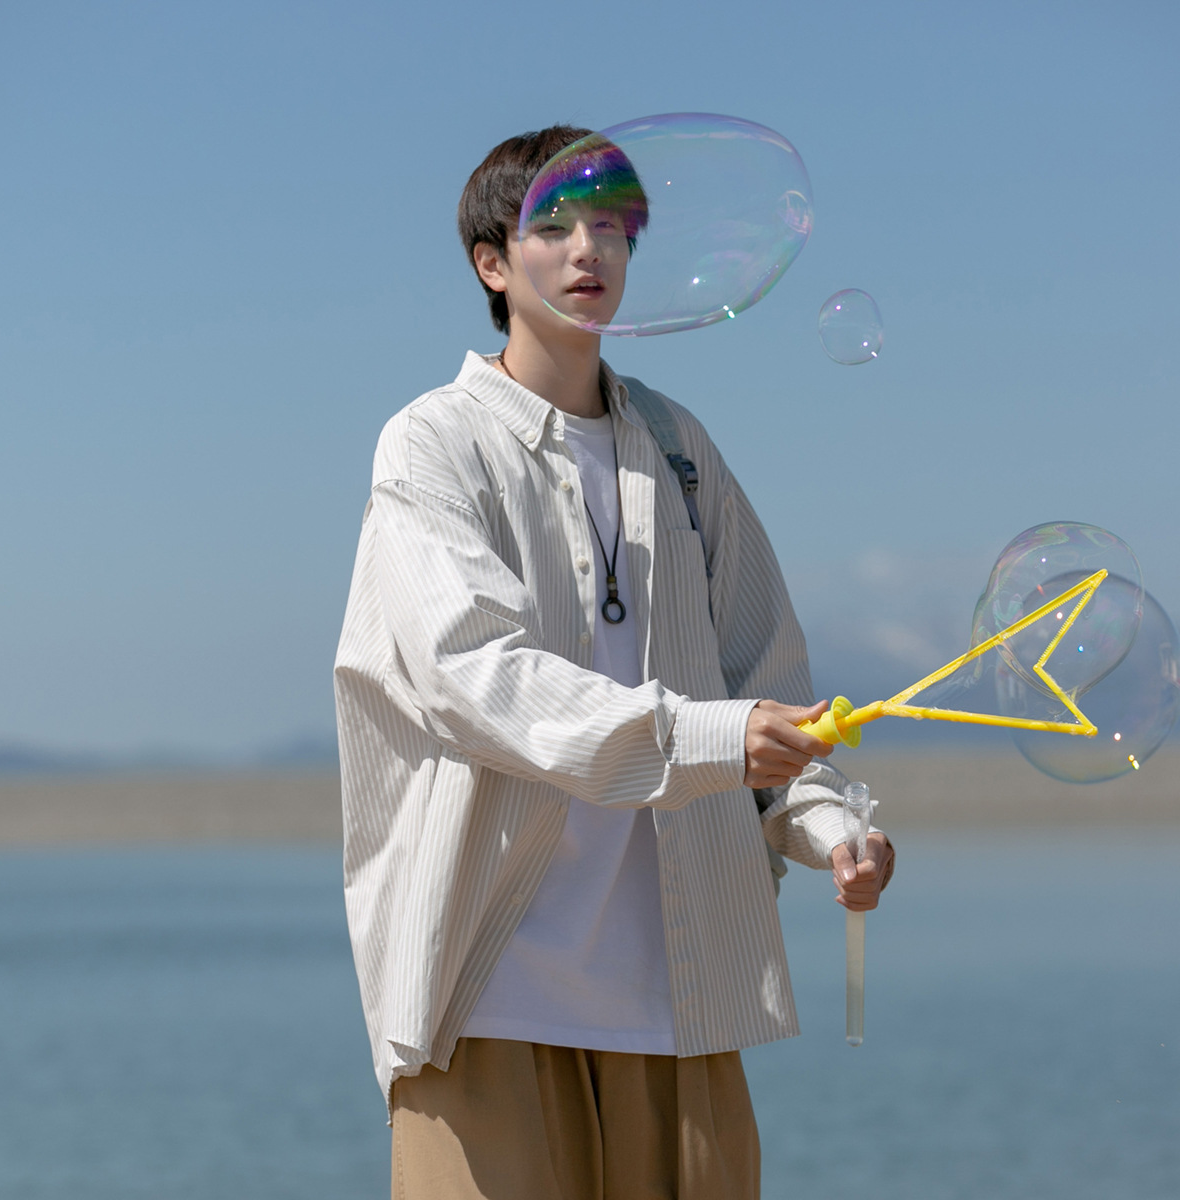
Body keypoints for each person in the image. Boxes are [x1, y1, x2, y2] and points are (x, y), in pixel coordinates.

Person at [334, 124, 895, 1200]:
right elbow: (476, 677)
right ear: (492, 265)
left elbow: (763, 682)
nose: (588, 249)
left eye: (610, 227)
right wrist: (719, 738)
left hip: (678, 990)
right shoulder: (433, 443)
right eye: (552, 227)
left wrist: (832, 831)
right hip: (489, 988)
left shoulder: (680, 448)